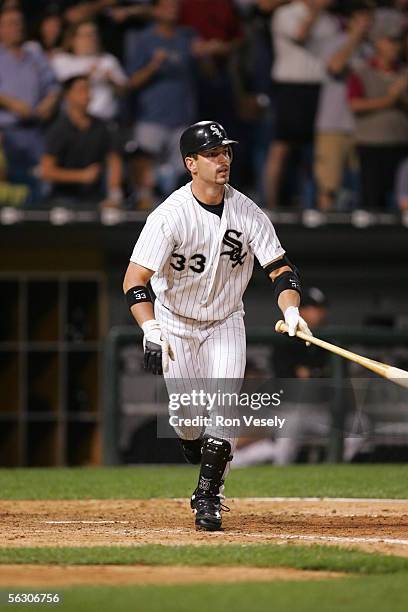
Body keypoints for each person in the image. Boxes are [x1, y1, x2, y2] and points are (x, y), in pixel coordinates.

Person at [123, 119, 311, 531]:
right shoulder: (169, 215)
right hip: (176, 323)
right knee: (188, 422)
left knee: (223, 411)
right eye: (211, 154)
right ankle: (199, 451)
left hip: (226, 321)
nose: (222, 159)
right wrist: (150, 329)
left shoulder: (248, 211)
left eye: (225, 151)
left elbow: (281, 270)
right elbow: (134, 280)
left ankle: (208, 497)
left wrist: (291, 311)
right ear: (191, 163)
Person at [264, 0, 338, 209]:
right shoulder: (285, 14)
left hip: (320, 87)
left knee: (316, 149)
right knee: (282, 146)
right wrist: (314, 12)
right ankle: (271, 204)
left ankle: (313, 203)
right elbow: (300, 35)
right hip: (290, 86)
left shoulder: (329, 20)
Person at [314, 0, 374, 211]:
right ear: (350, 21)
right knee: (329, 184)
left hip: (362, 126)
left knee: (359, 185)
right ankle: (324, 237)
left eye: (369, 20)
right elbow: (335, 66)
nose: (366, 24)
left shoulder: (370, 49)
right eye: (361, 20)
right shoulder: (334, 41)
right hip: (333, 123)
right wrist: (354, 38)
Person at [348, 10, 408, 209]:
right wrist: (390, 99)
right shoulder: (362, 71)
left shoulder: (403, 73)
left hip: (400, 144)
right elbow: (354, 104)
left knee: (400, 201)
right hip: (371, 144)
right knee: (372, 199)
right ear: (377, 43)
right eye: (390, 41)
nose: (395, 47)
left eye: (398, 41)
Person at [0, 6, 59, 198]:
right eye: (10, 23)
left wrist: (48, 102)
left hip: (35, 132)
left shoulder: (34, 54)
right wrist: (11, 103)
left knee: (38, 183)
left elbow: (53, 85)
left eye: (19, 23)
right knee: (8, 185)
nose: (17, 27)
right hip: (5, 134)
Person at [40, 74, 123, 207]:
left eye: (89, 89)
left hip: (95, 197)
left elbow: (114, 160)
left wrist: (114, 194)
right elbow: (46, 171)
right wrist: (81, 176)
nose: (87, 95)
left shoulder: (102, 127)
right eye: (81, 90)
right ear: (67, 95)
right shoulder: (58, 129)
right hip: (63, 197)